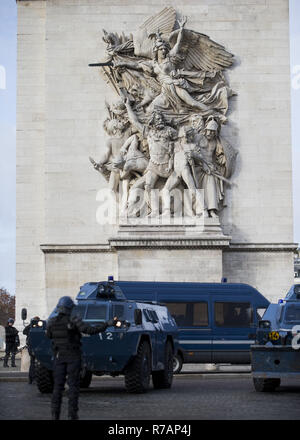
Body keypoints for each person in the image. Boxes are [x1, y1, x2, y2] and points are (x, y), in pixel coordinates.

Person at [46, 296, 120, 420]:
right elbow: (90, 330)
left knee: (57, 388)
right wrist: (107, 324)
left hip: (59, 357)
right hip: (73, 357)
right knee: (73, 387)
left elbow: (49, 335)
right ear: (70, 308)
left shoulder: (52, 322)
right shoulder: (73, 320)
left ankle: (55, 415)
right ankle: (72, 415)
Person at [23, 316, 40, 384]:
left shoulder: (37, 327)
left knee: (33, 363)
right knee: (33, 363)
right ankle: (32, 378)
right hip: (33, 346)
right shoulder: (30, 327)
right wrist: (30, 325)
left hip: (35, 346)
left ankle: (32, 378)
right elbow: (24, 332)